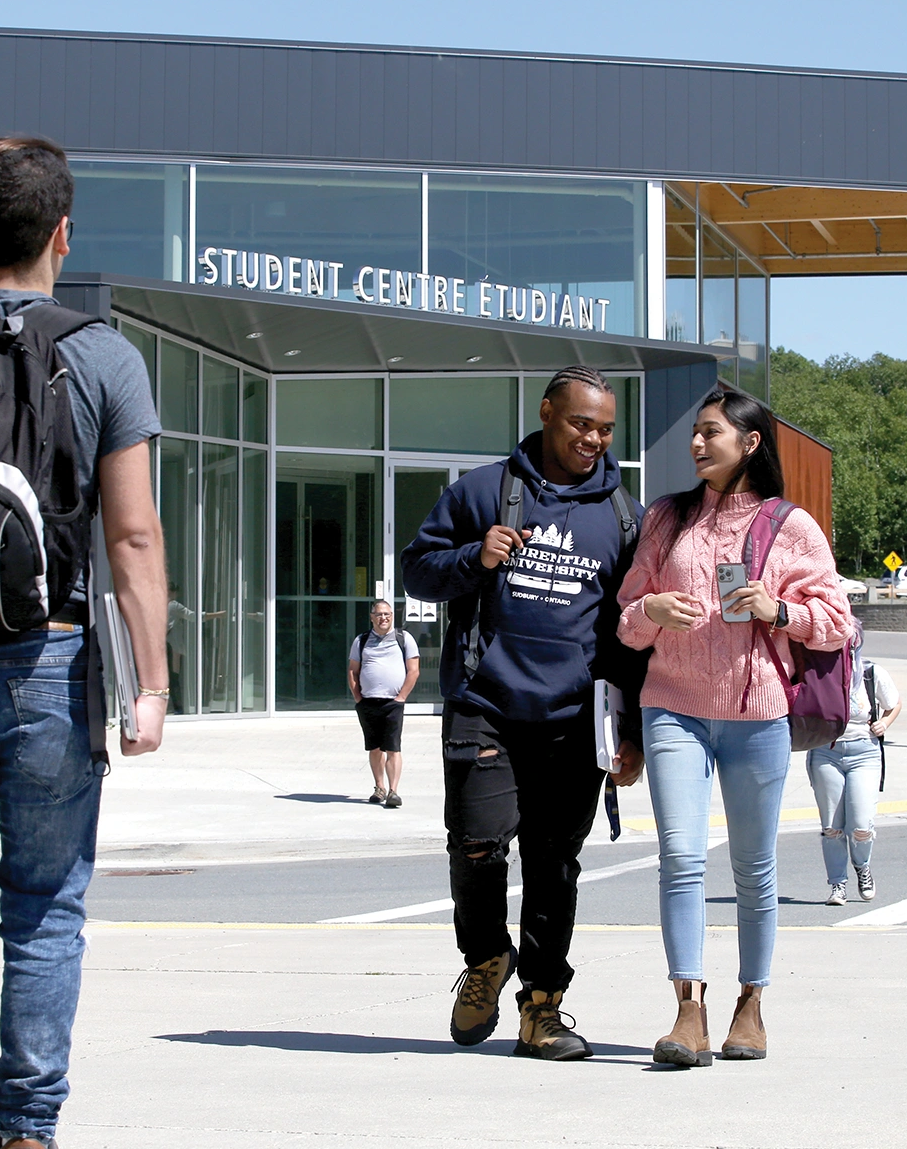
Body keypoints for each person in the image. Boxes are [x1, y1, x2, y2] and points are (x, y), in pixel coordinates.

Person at [0, 136, 167, 1148]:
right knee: (43, 906)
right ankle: (28, 1126)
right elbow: (132, 535)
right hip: (52, 657)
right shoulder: (102, 354)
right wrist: (150, 684)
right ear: (63, 236)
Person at [401, 366, 646, 1061]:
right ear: (546, 413)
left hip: (574, 719)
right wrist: (474, 558)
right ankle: (485, 957)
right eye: (580, 424)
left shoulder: (624, 517)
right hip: (486, 706)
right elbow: (418, 569)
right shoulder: (483, 491)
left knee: (553, 865)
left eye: (605, 428)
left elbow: (628, 633)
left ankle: (543, 1010)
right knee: (476, 846)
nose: (593, 438)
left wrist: (628, 731)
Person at [617, 387, 851, 1068]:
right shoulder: (666, 519)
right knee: (682, 859)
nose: (695, 444)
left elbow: (837, 622)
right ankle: (688, 1008)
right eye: (694, 432)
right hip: (673, 708)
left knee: (754, 867)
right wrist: (652, 607)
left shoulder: (791, 527)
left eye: (710, 433)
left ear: (749, 444)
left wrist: (780, 611)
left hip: (758, 719)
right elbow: (626, 621)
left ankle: (751, 1004)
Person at [808, 623, 902, 905]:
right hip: (826, 752)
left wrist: (884, 723)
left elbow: (894, 703)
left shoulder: (871, 673)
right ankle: (838, 885)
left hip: (864, 753)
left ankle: (862, 867)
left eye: (847, 643)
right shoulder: (819, 674)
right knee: (832, 826)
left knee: (860, 824)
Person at [347, 600, 421, 808]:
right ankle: (379, 787)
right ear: (372, 617)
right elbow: (353, 670)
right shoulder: (361, 641)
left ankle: (393, 791)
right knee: (375, 748)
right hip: (368, 702)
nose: (383, 618)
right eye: (379, 614)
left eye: (387, 614)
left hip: (393, 703)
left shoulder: (404, 639)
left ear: (392, 616)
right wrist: (358, 698)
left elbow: (413, 670)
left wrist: (401, 698)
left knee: (393, 748)